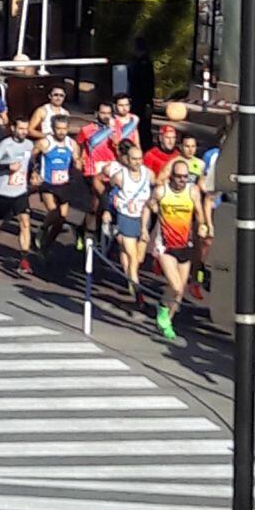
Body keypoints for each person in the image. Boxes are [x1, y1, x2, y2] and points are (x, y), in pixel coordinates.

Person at [143, 159, 206, 341]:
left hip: (185, 245)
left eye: (185, 177)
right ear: (171, 177)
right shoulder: (162, 191)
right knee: (176, 287)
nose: (182, 180)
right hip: (165, 246)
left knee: (180, 291)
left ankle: (167, 321)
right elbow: (148, 206)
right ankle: (163, 311)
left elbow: (199, 213)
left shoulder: (192, 191)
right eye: (178, 177)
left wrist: (202, 225)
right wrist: (144, 229)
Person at [0, 116, 34, 274]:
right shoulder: (5, 145)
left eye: (26, 129)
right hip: (4, 191)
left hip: (20, 191)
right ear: (13, 128)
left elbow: (30, 164)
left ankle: (24, 259)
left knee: (25, 222)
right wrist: (7, 167)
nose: (24, 132)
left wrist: (33, 175)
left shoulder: (29, 145)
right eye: (20, 129)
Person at [109, 140, 154, 300]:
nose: (137, 162)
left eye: (140, 159)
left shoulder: (149, 174)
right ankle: (136, 289)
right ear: (127, 159)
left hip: (143, 219)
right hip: (126, 217)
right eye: (134, 159)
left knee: (139, 257)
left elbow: (155, 190)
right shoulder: (120, 176)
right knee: (133, 256)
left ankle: (130, 275)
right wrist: (110, 210)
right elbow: (109, 188)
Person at [31, 114, 80, 254]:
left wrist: (78, 163)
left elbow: (76, 159)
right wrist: (34, 172)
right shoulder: (45, 142)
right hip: (47, 183)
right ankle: (43, 228)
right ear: (53, 128)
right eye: (58, 129)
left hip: (63, 184)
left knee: (61, 220)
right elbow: (32, 157)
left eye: (64, 129)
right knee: (55, 212)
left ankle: (46, 246)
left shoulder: (72, 144)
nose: (61, 132)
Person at [76, 102, 117, 244]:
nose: (105, 116)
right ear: (97, 113)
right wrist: (79, 157)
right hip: (92, 170)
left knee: (104, 203)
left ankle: (87, 229)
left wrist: (115, 139)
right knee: (96, 201)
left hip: (110, 170)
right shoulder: (87, 129)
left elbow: (120, 148)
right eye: (102, 113)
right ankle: (89, 233)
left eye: (108, 113)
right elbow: (80, 143)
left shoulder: (116, 130)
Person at [128, 37, 155, 151]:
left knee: (143, 126)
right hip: (137, 99)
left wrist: (148, 103)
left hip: (142, 100)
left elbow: (148, 84)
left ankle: (145, 148)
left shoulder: (144, 64)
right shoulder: (137, 62)